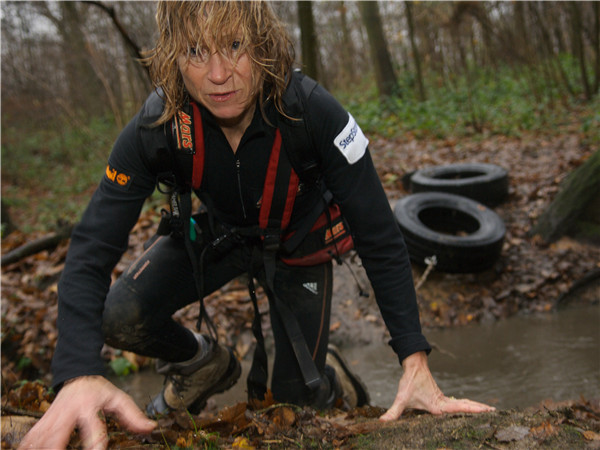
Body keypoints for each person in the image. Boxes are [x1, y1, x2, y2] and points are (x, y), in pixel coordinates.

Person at [19, 2, 494, 449]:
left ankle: (330, 376)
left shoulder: (313, 111)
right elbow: (91, 246)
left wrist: (414, 360)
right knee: (117, 316)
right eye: (195, 52)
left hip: (298, 243)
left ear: (262, 43)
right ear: (173, 59)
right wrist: (77, 372)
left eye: (233, 46)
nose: (219, 75)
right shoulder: (159, 126)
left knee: (291, 410)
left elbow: (380, 236)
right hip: (220, 237)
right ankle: (200, 363)